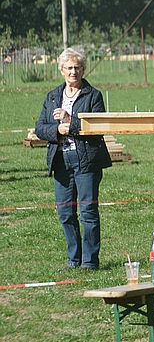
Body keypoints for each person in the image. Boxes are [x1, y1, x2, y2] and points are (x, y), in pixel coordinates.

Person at [35, 48, 112, 270]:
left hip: (86, 160)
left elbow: (98, 126)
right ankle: (73, 258)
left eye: (77, 67)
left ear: (83, 69)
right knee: (65, 212)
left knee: (88, 212)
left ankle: (90, 261)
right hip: (61, 160)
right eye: (69, 68)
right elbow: (40, 128)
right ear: (61, 70)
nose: (73, 72)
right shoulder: (52, 96)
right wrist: (57, 130)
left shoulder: (93, 95)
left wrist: (71, 121)